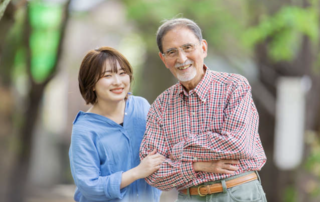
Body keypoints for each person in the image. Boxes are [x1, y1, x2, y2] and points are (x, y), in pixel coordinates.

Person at [139, 18, 267, 201]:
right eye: (172, 52)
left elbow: (238, 144)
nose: (182, 59)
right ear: (164, 59)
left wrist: (178, 150)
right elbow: (153, 173)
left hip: (237, 193)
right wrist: (197, 166)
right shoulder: (160, 106)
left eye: (188, 48)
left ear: (203, 48)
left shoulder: (234, 86)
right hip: (188, 197)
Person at [69, 47, 164, 202]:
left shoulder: (141, 107)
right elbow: (89, 186)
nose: (118, 82)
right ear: (91, 84)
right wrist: (137, 172)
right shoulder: (84, 129)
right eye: (108, 75)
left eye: (122, 73)